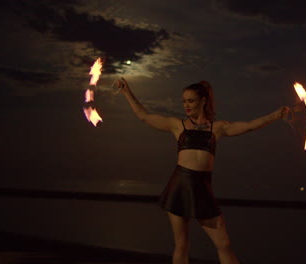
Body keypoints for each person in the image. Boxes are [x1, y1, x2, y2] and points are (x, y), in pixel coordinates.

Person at [116, 78, 290, 264]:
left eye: (191, 101)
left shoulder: (217, 128)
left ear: (203, 101)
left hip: (202, 188)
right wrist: (127, 92)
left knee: (223, 243)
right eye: (184, 101)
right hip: (179, 186)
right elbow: (144, 116)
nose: (186, 105)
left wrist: (275, 115)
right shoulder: (177, 125)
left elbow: (250, 125)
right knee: (182, 245)